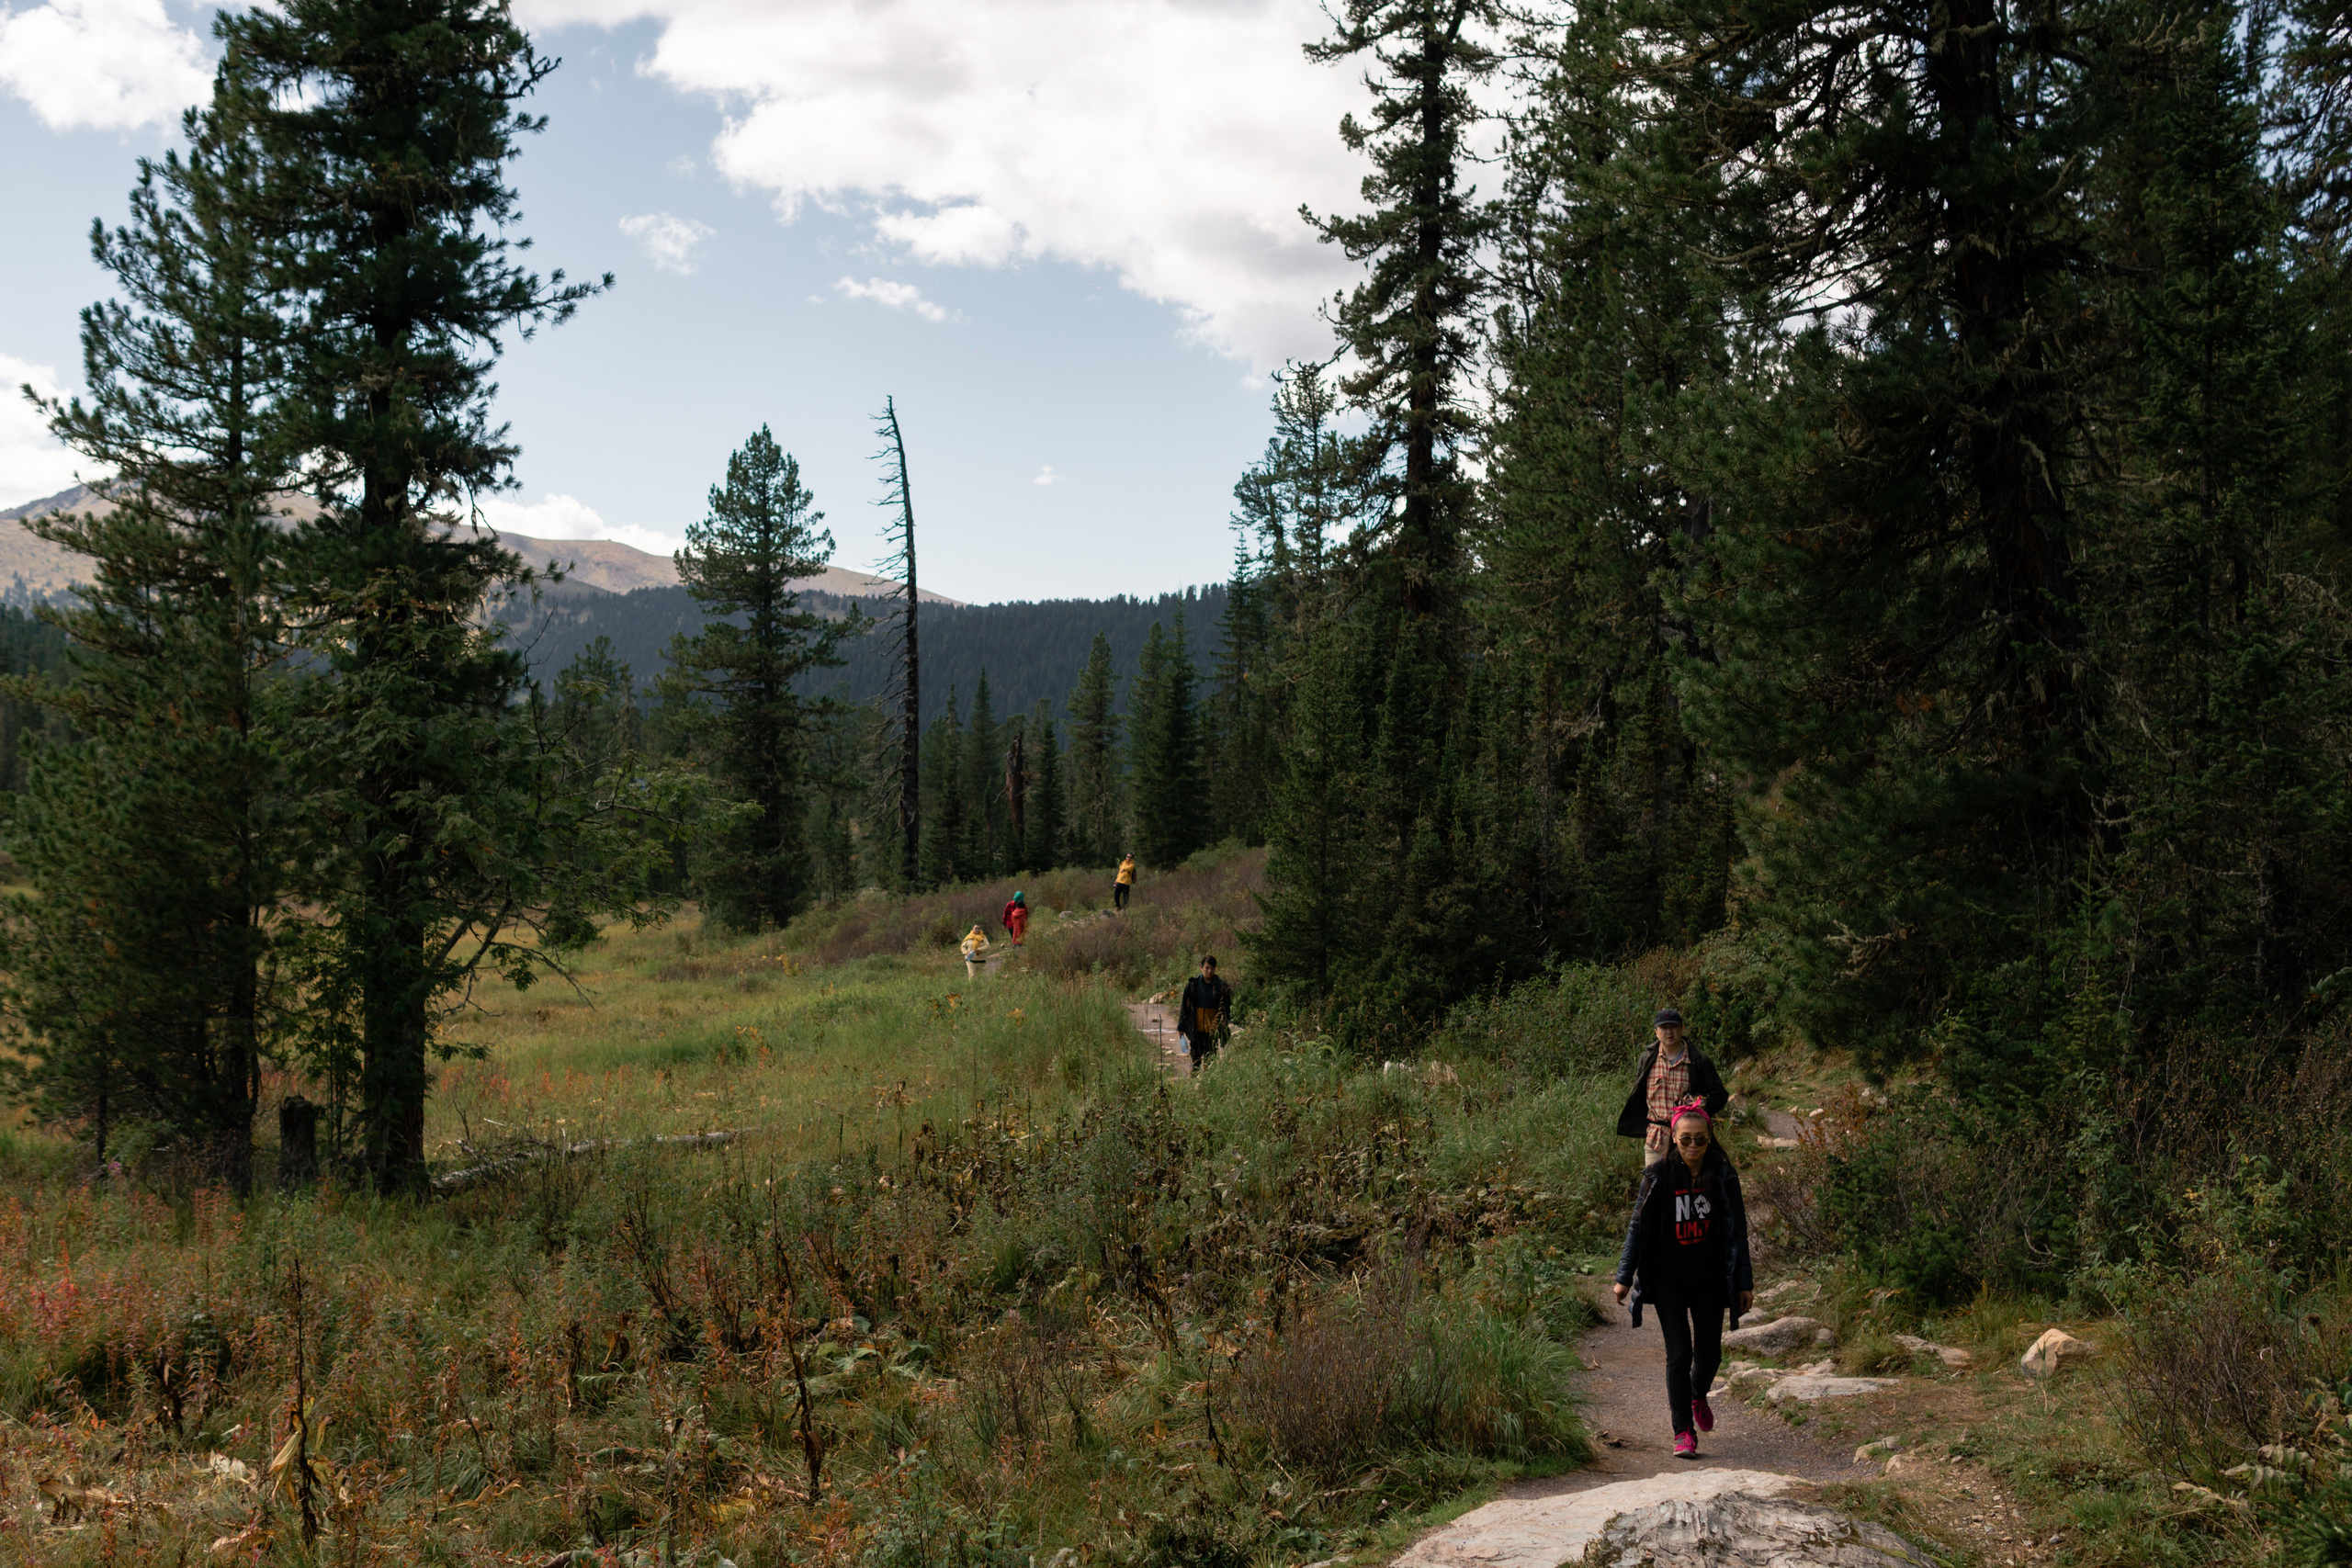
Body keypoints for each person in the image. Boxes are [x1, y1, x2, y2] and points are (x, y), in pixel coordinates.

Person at [1611, 1099, 1754, 1459]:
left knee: (1709, 1355)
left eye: (1700, 1140)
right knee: (1679, 1353)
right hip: (1668, 1279)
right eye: (1686, 1139)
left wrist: (1743, 1282)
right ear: (1673, 1138)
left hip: (1708, 1278)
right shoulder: (1657, 1176)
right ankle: (1683, 1432)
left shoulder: (1723, 1175)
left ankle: (1696, 1393)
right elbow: (1637, 1226)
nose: (1693, 1146)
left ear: (1710, 1139)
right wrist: (1624, 1276)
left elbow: (1738, 1232)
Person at [1615, 1007, 1729, 1166]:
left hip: (1688, 1140)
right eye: (1664, 1028)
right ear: (1656, 1031)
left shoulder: (1698, 1061)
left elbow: (1720, 1096)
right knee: (1654, 1186)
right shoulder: (1647, 1059)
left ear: (1682, 1029)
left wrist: (1700, 1109)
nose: (1669, 1032)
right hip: (1656, 1138)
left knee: (1687, 1187)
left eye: (1673, 1027)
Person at [1177, 955, 1234, 1067]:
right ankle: (1194, 1082)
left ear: (1215, 969)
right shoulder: (1193, 985)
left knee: (1210, 1061)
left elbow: (1225, 1011)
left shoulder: (1222, 987)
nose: (1209, 971)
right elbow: (1185, 1007)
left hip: (1212, 1031)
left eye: (1212, 968)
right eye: (1207, 968)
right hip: (1196, 1030)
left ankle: (1208, 1083)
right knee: (1195, 1060)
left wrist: (1223, 1027)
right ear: (1201, 968)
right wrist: (1181, 1026)